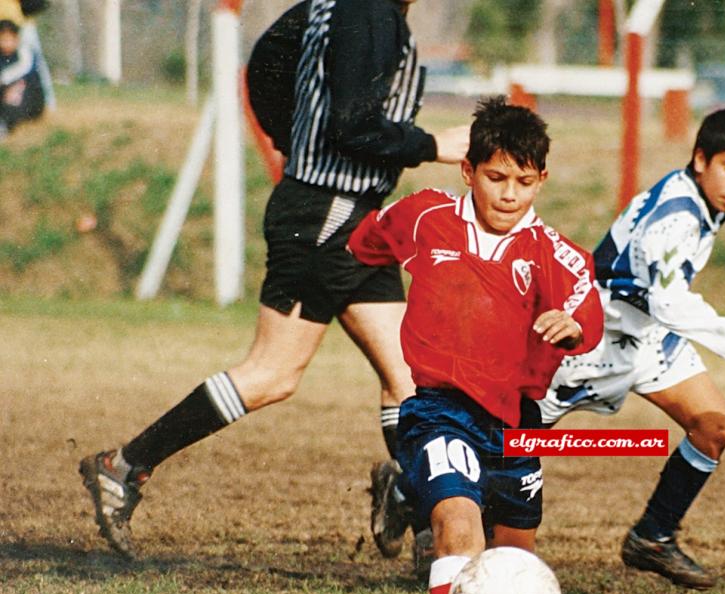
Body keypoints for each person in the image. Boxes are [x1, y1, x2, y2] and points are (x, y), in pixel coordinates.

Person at [78, 0, 470, 560]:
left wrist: (294, 140)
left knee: (410, 373)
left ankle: (409, 496)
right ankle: (124, 466)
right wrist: (433, 146)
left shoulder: (343, 6)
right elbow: (352, 124)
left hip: (348, 213)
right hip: (326, 216)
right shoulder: (369, 12)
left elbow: (265, 63)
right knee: (273, 372)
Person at [347, 96, 603, 594]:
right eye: (495, 177)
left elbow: (586, 307)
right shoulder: (424, 217)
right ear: (468, 170)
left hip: (516, 424)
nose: (509, 193)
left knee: (513, 558)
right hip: (438, 408)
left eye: (523, 181)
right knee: (458, 527)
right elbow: (366, 244)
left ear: (541, 179)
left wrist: (571, 326)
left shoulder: (552, 251)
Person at [525, 108, 725, 591]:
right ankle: (407, 491)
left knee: (713, 426)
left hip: (651, 336)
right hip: (595, 337)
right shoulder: (675, 218)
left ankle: (653, 536)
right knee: (513, 445)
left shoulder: (705, 199)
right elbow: (670, 300)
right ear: (700, 160)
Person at [0, 16, 44, 138]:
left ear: (17, 39)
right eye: (2, 39)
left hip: (27, 99)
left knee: (14, 92)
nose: (5, 43)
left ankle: (6, 126)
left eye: (9, 39)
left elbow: (25, 71)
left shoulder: (25, 55)